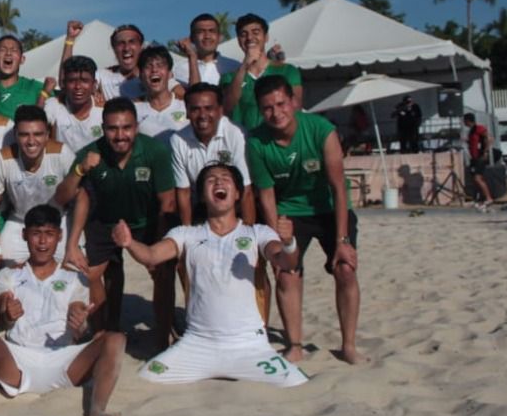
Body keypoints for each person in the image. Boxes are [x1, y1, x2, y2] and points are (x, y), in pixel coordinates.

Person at [115, 164, 308, 388]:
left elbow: (286, 262)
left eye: (226, 178)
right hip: (197, 344)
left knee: (295, 381)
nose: (218, 182)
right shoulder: (185, 234)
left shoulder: (257, 232)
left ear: (237, 194)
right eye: (211, 180)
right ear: (203, 196)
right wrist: (129, 243)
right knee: (148, 376)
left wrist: (288, 244)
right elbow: (151, 256)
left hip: (248, 345)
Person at [0, 205, 124, 416]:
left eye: (49, 235)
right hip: (19, 359)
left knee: (116, 339)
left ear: (59, 237)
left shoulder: (74, 277)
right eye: (36, 234)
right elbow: (2, 308)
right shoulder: (9, 274)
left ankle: (96, 411)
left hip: (63, 360)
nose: (42, 242)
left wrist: (79, 322)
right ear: (24, 236)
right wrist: (8, 313)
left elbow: (78, 313)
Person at [248, 77, 363, 364]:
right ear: (260, 111)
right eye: (267, 108)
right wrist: (278, 241)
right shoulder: (256, 142)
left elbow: (339, 188)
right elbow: (266, 196)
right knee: (286, 273)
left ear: (294, 102)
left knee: (345, 268)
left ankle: (348, 345)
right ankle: (294, 344)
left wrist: (342, 240)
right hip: (289, 212)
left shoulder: (322, 131)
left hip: (328, 207)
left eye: (281, 104)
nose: (276, 113)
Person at [56, 97, 175, 339]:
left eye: (126, 127)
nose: (120, 135)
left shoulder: (155, 151)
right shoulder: (90, 153)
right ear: (103, 129)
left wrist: (161, 243)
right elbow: (62, 197)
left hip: (146, 220)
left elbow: (167, 202)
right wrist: (81, 170)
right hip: (104, 222)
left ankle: (164, 334)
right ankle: (105, 331)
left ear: (136, 127)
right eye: (112, 128)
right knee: (93, 275)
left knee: (163, 273)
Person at [170, 83, 259, 317]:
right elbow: (183, 193)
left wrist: (250, 234)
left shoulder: (235, 133)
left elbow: (247, 190)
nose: (203, 115)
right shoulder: (178, 140)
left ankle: (259, 325)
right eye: (196, 109)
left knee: (253, 268)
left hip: (237, 205)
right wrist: (187, 237)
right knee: (189, 267)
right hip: (201, 208)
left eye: (209, 108)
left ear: (220, 110)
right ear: (187, 111)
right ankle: (196, 321)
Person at [0, 105, 74, 273]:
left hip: (59, 221)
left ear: (47, 134)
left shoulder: (62, 153)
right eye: (24, 135)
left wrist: (74, 244)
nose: (31, 141)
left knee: (77, 269)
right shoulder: (3, 158)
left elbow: (80, 197)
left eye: (38, 134)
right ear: (15, 134)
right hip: (20, 222)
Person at [219, 13, 303, 130]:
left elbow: (296, 108)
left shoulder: (288, 70)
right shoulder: (229, 77)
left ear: (266, 37)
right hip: (242, 143)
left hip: (275, 142)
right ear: (238, 40)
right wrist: (244, 67)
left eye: (256, 32)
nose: (249, 38)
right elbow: (227, 107)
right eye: (244, 34)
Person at [59, 20, 144, 100]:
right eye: (120, 43)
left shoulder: (151, 77)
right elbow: (65, 83)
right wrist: (70, 39)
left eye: (132, 42)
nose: (126, 48)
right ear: (114, 49)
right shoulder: (103, 76)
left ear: (141, 47)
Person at [44, 54, 106, 154]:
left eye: (84, 81)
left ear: (94, 85)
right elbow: (32, 126)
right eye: (72, 81)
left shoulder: (104, 110)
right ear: (64, 83)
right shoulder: (53, 106)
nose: (78, 86)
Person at [133, 45, 189, 141]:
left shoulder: (186, 106)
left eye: (160, 65)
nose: (154, 70)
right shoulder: (133, 109)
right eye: (148, 66)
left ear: (170, 74)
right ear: (141, 76)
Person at [173, 13, 241, 88]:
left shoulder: (235, 67)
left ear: (220, 37)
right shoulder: (177, 69)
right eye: (201, 32)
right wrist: (192, 57)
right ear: (192, 38)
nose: (207, 36)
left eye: (212, 31)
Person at [463, 112, 494, 209]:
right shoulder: (471, 131)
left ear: (468, 121)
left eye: (465, 121)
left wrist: (486, 151)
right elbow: (474, 142)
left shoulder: (478, 128)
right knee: (473, 179)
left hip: (480, 157)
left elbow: (489, 138)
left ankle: (489, 198)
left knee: (478, 178)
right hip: (474, 157)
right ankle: (478, 198)